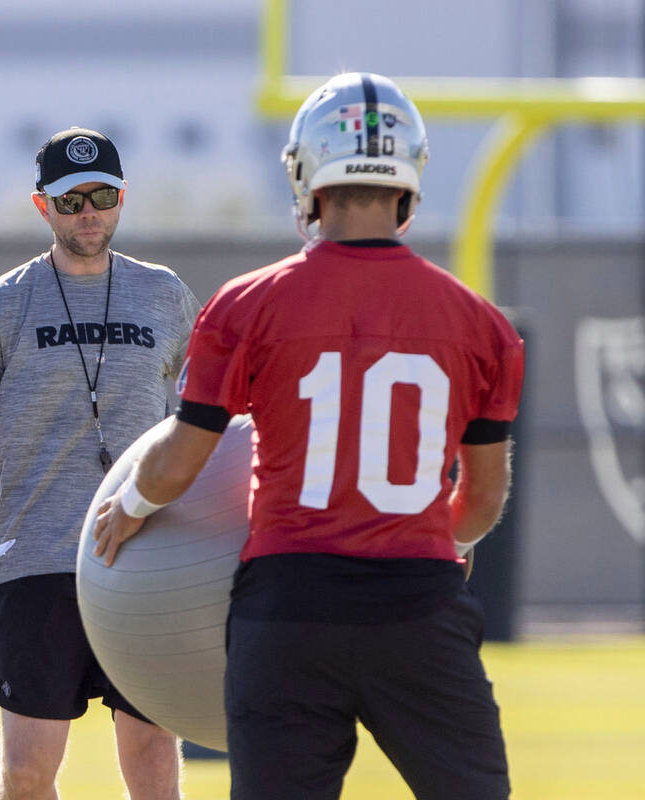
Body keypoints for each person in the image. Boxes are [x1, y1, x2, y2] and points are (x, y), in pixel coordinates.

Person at [93, 73, 523, 800]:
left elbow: (184, 459)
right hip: (418, 610)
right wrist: (438, 543)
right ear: (408, 178)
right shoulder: (483, 326)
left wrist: (130, 504)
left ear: (307, 175)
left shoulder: (248, 304)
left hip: (288, 611)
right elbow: (481, 500)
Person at [0, 127, 201, 800]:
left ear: (121, 199)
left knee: (154, 756)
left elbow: (206, 428)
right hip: (37, 560)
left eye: (102, 196)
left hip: (146, 559)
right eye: (71, 201)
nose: (88, 213)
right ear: (42, 206)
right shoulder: (0, 303)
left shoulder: (165, 295)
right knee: (24, 773)